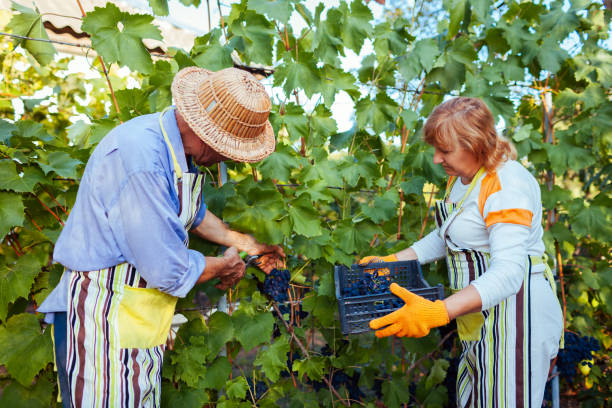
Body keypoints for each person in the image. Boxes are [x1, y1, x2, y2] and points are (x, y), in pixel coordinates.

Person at [38, 66, 285, 408]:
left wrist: (249, 244)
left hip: (131, 322)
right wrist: (224, 266)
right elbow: (166, 268)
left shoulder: (174, 152)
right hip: (99, 320)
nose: (230, 158)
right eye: (231, 151)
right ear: (210, 139)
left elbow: (193, 213)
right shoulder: (142, 159)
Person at [360, 97, 563, 407]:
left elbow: (509, 274)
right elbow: (449, 236)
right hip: (482, 317)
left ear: (475, 144)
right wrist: (394, 261)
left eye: (445, 150)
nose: (437, 159)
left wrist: (438, 311)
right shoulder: (467, 179)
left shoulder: (507, 186)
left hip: (517, 320)